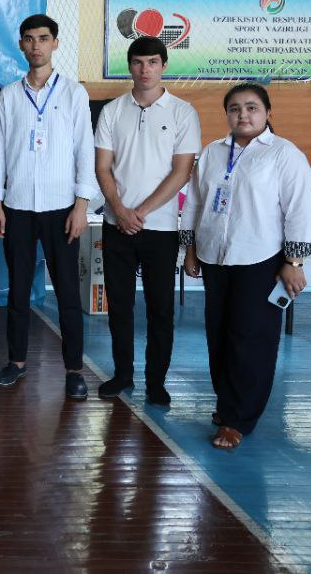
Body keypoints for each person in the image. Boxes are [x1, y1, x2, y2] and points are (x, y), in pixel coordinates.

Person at [182, 84, 311, 451]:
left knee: (250, 340)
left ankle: (239, 419)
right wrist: (190, 250)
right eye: (235, 108)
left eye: (252, 108)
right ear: (227, 114)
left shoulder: (284, 155)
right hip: (214, 259)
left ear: (268, 113)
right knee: (219, 336)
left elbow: (301, 212)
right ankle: (227, 404)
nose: (243, 115)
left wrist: (293, 261)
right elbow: (195, 204)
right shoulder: (212, 153)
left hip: (261, 260)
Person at [0, 14, 96, 400]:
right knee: (17, 291)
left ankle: (73, 369)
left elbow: (86, 150)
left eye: (43, 39)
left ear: (55, 43)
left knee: (66, 292)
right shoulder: (9, 95)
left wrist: (81, 205)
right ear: (21, 45)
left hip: (61, 207)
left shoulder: (73, 94)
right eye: (29, 39)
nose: (36, 46)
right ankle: (16, 362)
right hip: (16, 207)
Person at [94, 37, 200, 404]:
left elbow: (181, 171)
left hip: (161, 228)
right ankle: (122, 374)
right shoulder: (112, 111)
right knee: (120, 306)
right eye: (138, 62)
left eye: (153, 62)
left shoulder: (183, 112)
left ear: (164, 65)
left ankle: (157, 382)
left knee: (160, 310)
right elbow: (102, 166)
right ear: (130, 66)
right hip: (116, 224)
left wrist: (141, 211)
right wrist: (120, 210)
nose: (145, 69)